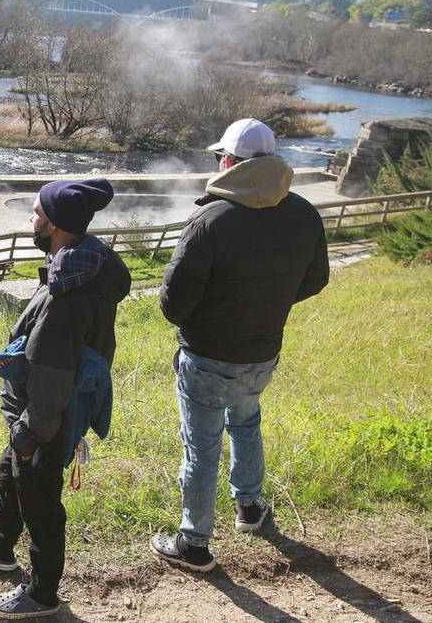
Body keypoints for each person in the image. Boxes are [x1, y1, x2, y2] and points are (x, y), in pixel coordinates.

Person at [150, 118, 330, 573]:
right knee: (246, 420)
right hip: (262, 353)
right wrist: (268, 303)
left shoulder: (210, 219)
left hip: (208, 356)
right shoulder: (304, 212)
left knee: (202, 445)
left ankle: (193, 543)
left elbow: (173, 304)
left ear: (228, 162)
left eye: (219, 158)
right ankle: (249, 507)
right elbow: (316, 279)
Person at [0, 179, 131, 619]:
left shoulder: (66, 295)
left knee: (40, 503)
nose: (30, 219)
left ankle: (42, 594)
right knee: (9, 476)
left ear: (53, 225)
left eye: (34, 213)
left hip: (45, 417)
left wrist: (32, 432)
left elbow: (52, 373)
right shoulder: (82, 265)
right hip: (42, 413)